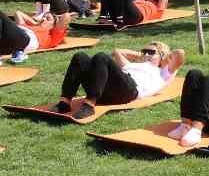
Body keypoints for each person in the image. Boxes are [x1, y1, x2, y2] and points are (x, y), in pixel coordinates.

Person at [54, 41, 185, 120]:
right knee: (80, 57)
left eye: (151, 52)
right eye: (144, 51)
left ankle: (89, 105)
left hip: (129, 91)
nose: (146, 54)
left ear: (163, 57)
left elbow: (179, 55)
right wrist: (139, 54)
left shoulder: (163, 73)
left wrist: (165, 58)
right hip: (106, 90)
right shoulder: (130, 65)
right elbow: (117, 51)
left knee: (101, 57)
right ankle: (65, 102)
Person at [0, 8, 69, 60]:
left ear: (53, 26)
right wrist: (34, 22)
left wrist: (56, 19)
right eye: (44, 16)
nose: (43, 19)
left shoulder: (52, 35)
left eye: (48, 19)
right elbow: (18, 13)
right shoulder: (28, 25)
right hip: (8, 40)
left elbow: (66, 16)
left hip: (26, 41)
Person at [98, 0, 169, 27]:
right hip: (124, 13)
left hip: (135, 17)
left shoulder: (157, 8)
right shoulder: (141, 1)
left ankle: (120, 22)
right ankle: (103, 18)